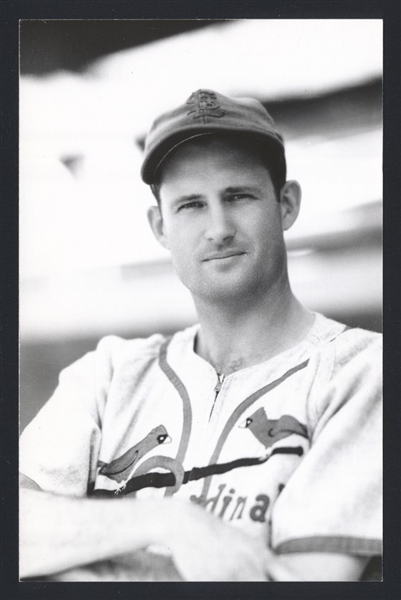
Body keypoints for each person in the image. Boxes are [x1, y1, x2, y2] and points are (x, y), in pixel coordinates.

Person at [19, 89, 382, 582]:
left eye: (238, 196)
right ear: (160, 226)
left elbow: (304, 583)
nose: (219, 227)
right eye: (191, 205)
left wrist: (76, 555)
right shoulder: (106, 376)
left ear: (287, 204)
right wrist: (171, 523)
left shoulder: (362, 372)